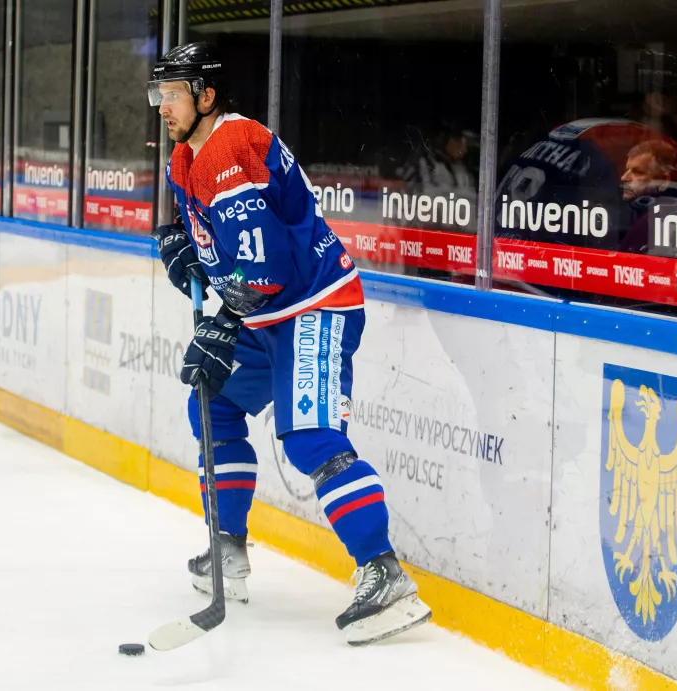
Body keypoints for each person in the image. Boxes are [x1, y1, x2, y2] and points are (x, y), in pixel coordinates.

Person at [146, 41, 431, 646]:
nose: (162, 106)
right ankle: (228, 547)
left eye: (173, 95)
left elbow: (264, 267)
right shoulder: (186, 156)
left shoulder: (230, 148)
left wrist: (222, 322)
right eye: (159, 94)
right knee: (214, 401)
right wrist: (184, 250)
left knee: (309, 437)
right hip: (267, 313)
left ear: (206, 96)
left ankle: (384, 573)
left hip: (313, 306)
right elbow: (222, 243)